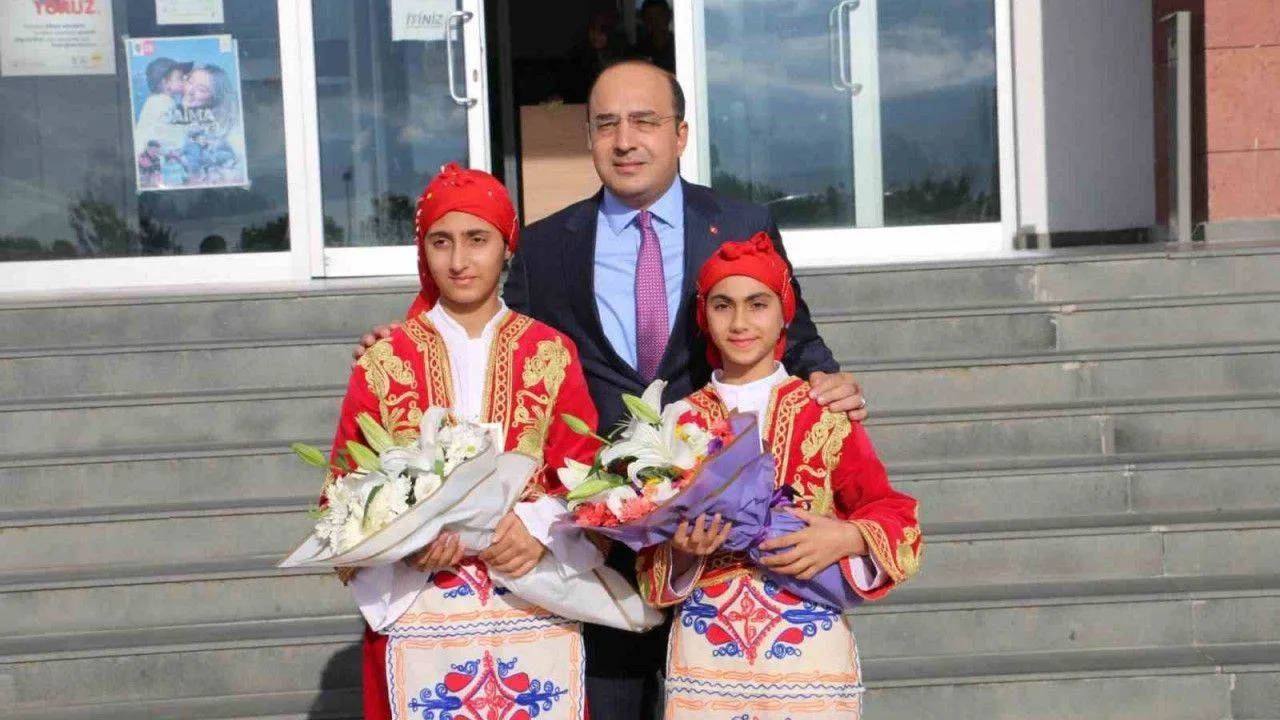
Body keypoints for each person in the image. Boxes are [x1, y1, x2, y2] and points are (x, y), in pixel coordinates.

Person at [354, 59, 869, 720]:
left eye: (644, 121)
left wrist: (829, 379)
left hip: (718, 538)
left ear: (680, 134)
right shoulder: (545, 246)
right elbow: (493, 347)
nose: (625, 140)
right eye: (606, 124)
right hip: (594, 540)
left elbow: (793, 337)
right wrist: (400, 344)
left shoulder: (742, 223)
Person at [330, 163, 602, 720]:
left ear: (507, 246)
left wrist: (537, 529)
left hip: (533, 603)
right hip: (420, 606)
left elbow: (589, 478)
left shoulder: (550, 352)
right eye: (441, 241)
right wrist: (405, 540)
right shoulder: (386, 360)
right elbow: (343, 489)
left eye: (477, 239)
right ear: (423, 251)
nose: (459, 260)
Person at [637, 235, 922, 719]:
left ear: (785, 312)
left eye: (758, 304)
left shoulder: (824, 412)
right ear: (703, 317)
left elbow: (897, 516)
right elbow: (649, 565)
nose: (740, 322)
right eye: (723, 306)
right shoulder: (677, 420)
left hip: (809, 652)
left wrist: (848, 537)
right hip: (710, 655)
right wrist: (683, 551)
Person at [133, 57, 192, 153]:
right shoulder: (163, 103)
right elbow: (173, 140)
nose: (184, 80)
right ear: (165, 82)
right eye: (180, 78)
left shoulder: (157, 101)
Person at [634, 0, 675, 72]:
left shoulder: (679, 46)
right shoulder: (638, 51)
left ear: (668, 17)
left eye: (660, 17)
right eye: (650, 19)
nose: (655, 23)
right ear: (644, 21)